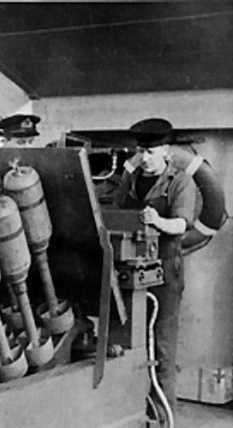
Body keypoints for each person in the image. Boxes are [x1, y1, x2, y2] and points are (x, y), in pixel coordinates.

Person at [115, 118, 196, 421]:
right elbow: (118, 211)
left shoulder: (180, 182)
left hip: (164, 275)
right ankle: (136, 415)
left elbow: (182, 224)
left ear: (166, 151)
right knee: (131, 346)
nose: (144, 158)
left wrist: (157, 221)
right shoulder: (132, 178)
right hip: (132, 271)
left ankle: (165, 418)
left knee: (161, 349)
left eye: (151, 151)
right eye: (140, 151)